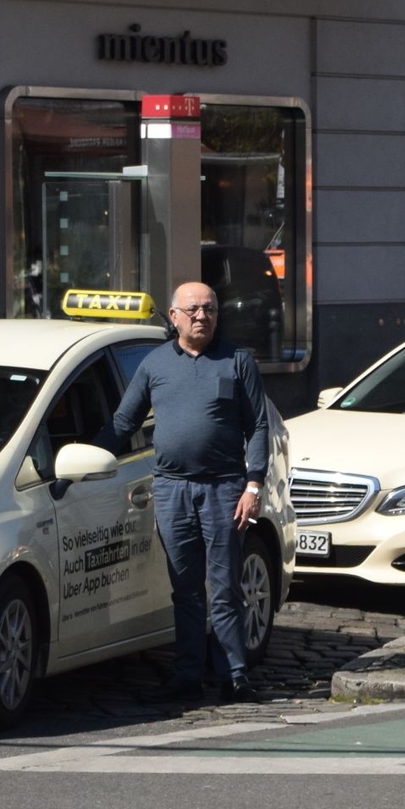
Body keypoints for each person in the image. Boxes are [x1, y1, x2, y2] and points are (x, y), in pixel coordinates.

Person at [104, 280, 269, 703]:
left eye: (210, 309)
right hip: (172, 490)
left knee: (226, 585)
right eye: (193, 309)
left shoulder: (237, 361)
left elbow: (258, 426)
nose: (202, 316)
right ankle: (188, 674)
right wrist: (89, 455)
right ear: (174, 316)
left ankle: (234, 675)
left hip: (224, 489)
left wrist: (254, 483)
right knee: (186, 587)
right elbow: (124, 423)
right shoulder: (155, 364)